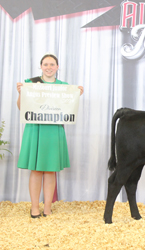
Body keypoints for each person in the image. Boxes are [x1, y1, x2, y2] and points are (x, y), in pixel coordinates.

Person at [16, 53, 84, 218]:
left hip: (54, 130)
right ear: (40, 66)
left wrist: (76, 95)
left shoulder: (64, 86)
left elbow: (68, 109)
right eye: (45, 64)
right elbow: (21, 108)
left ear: (57, 67)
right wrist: (20, 93)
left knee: (50, 170)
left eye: (52, 64)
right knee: (36, 170)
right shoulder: (30, 83)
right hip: (35, 129)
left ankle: (47, 208)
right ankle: (34, 208)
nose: (48, 67)